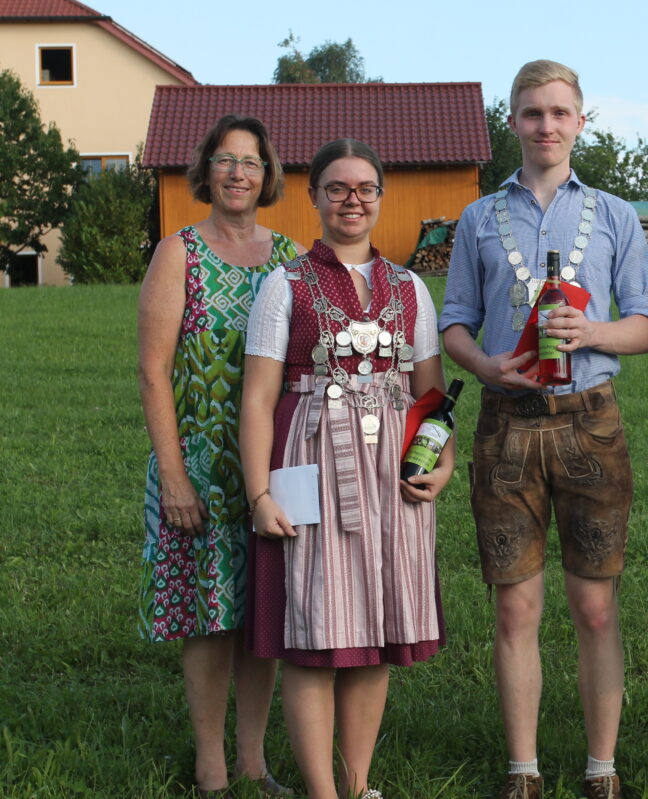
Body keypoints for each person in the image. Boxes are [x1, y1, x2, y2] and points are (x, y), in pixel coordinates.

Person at [440, 59, 648, 799]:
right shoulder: (476, 217)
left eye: (560, 112)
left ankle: (602, 767)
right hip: (506, 424)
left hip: (589, 424)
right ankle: (523, 768)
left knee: (596, 604)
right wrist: (489, 366)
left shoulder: (616, 214)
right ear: (513, 122)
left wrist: (592, 328)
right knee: (515, 604)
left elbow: (647, 327)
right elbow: (454, 325)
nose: (547, 125)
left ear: (581, 121)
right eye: (533, 113)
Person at [240, 138, 452, 799]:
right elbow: (257, 397)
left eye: (364, 188)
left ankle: (357, 785)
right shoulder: (285, 285)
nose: (352, 199)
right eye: (337, 188)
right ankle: (322, 793)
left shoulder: (411, 287)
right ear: (315, 197)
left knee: (378, 628)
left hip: (393, 470)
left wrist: (443, 463)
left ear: (380, 196)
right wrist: (257, 493)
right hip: (310, 461)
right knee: (315, 629)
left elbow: (430, 393)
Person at [137, 114, 300, 798]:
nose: (239, 172)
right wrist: (173, 474)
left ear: (268, 177)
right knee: (208, 617)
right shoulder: (179, 252)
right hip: (200, 463)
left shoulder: (290, 256)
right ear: (206, 171)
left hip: (268, 464)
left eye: (252, 162)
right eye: (227, 160)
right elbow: (153, 372)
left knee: (260, 613)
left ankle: (253, 761)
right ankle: (209, 764)